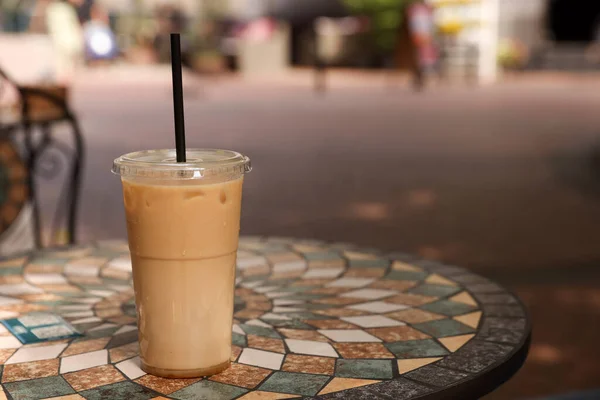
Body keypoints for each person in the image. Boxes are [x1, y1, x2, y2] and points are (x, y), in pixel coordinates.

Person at [45, 0, 84, 84]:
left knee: (69, 48)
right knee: (65, 47)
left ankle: (66, 77)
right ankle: (64, 79)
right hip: (59, 11)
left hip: (63, 10)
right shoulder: (58, 10)